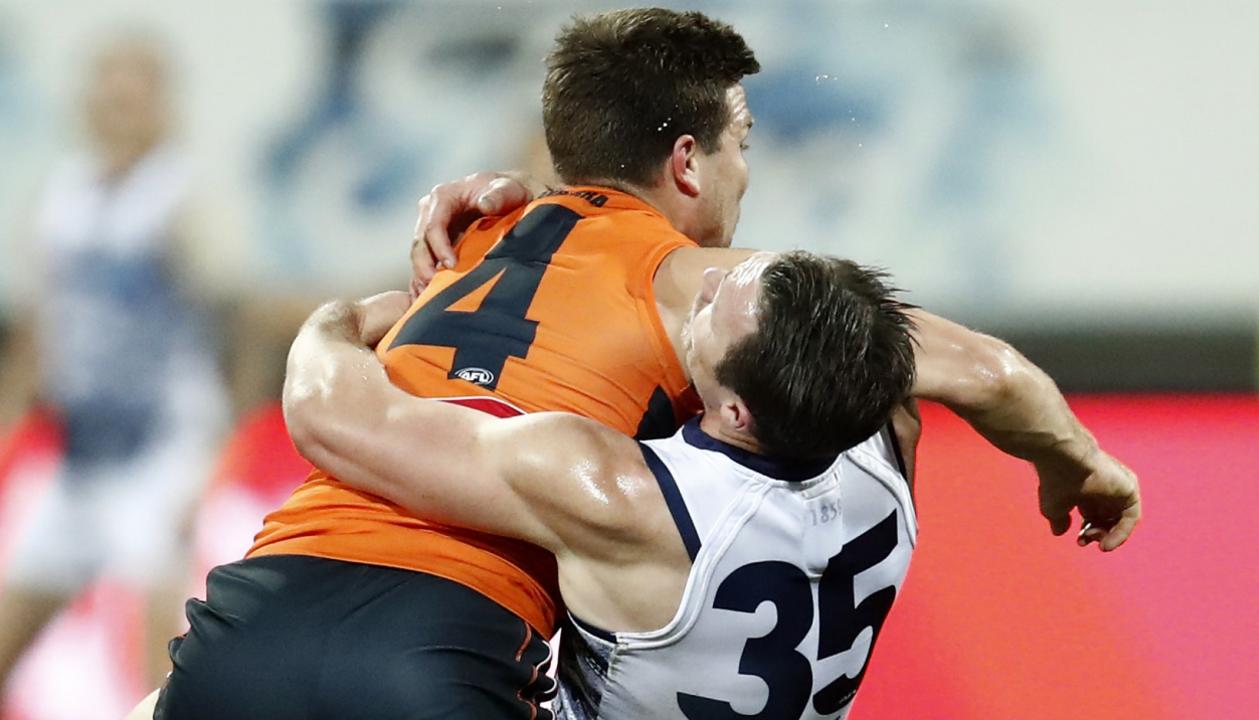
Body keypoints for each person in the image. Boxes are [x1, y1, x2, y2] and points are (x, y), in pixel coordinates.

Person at [139, 9, 1139, 719]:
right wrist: (1079, 467)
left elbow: (337, 410)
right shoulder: (717, 301)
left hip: (261, 602)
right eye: (742, 141)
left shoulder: (472, 241)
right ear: (689, 162)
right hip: (448, 643)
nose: (749, 172)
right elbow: (996, 374)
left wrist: (339, 319)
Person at [283, 251, 923, 720]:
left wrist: (340, 320)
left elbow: (335, 417)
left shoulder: (621, 494)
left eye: (713, 310)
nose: (702, 282)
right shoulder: (892, 443)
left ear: (737, 413)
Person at [0, 34, 232, 697]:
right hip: (80, 455)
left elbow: (228, 328)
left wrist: (219, 447)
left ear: (163, 104)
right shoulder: (58, 198)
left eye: (133, 94)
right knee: (11, 623)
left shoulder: (181, 198)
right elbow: (41, 333)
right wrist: (13, 421)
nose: (117, 108)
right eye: (108, 92)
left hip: (160, 449)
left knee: (156, 659)